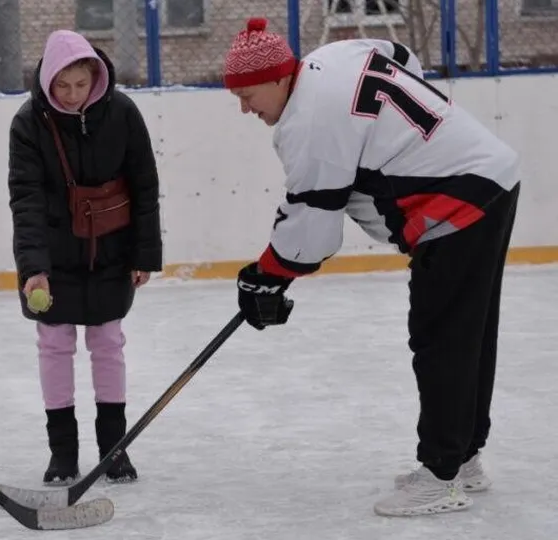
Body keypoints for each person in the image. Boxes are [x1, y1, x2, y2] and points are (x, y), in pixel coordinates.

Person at [220, 18, 520, 517]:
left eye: (248, 95)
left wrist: (267, 274)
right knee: (470, 332)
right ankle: (463, 458)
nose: (245, 108)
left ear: (278, 78)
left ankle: (441, 476)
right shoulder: (330, 60)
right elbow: (398, 54)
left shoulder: (308, 120)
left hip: (456, 198)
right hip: (492, 175)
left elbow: (313, 227)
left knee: (441, 337)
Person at [7, 29, 163, 486]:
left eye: (80, 84)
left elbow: (144, 186)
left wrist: (144, 253)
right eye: (62, 86)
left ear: (95, 76)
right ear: (48, 81)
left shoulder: (123, 113)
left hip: (112, 250)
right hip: (54, 256)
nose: (73, 95)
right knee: (54, 346)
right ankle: (63, 454)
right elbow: (26, 200)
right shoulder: (28, 123)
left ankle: (115, 450)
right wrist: (34, 269)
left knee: (108, 343)